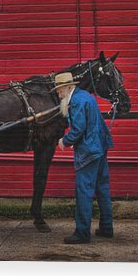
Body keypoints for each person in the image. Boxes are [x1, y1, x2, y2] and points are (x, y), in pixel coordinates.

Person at [52, 72, 114, 244]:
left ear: (67, 87)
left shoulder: (77, 101)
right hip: (100, 147)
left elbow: (78, 129)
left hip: (89, 152)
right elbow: (94, 124)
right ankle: (107, 228)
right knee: (102, 188)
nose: (59, 95)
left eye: (59, 91)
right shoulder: (86, 96)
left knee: (84, 192)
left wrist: (65, 140)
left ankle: (82, 233)